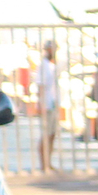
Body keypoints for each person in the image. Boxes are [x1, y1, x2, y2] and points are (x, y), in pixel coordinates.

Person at [34, 39, 63, 173]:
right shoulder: (43, 65)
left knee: (52, 134)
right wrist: (40, 104)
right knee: (45, 134)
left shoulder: (53, 65)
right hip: (47, 103)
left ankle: (49, 162)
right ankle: (43, 164)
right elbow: (40, 85)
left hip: (54, 102)